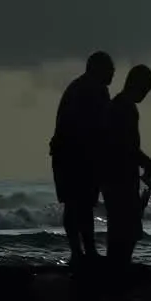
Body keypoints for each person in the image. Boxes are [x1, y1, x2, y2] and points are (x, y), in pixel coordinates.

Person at [50, 51, 114, 266]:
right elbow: (99, 127)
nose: (113, 74)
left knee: (80, 205)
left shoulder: (83, 88)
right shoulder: (91, 90)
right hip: (74, 155)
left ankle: (82, 251)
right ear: (97, 69)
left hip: (73, 155)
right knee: (79, 204)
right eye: (109, 69)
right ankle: (81, 252)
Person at [103, 64, 151, 265]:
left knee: (119, 228)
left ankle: (116, 268)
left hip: (113, 176)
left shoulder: (116, 105)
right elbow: (129, 149)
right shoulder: (126, 109)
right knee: (126, 229)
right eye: (144, 89)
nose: (145, 94)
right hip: (120, 179)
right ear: (136, 85)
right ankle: (119, 270)